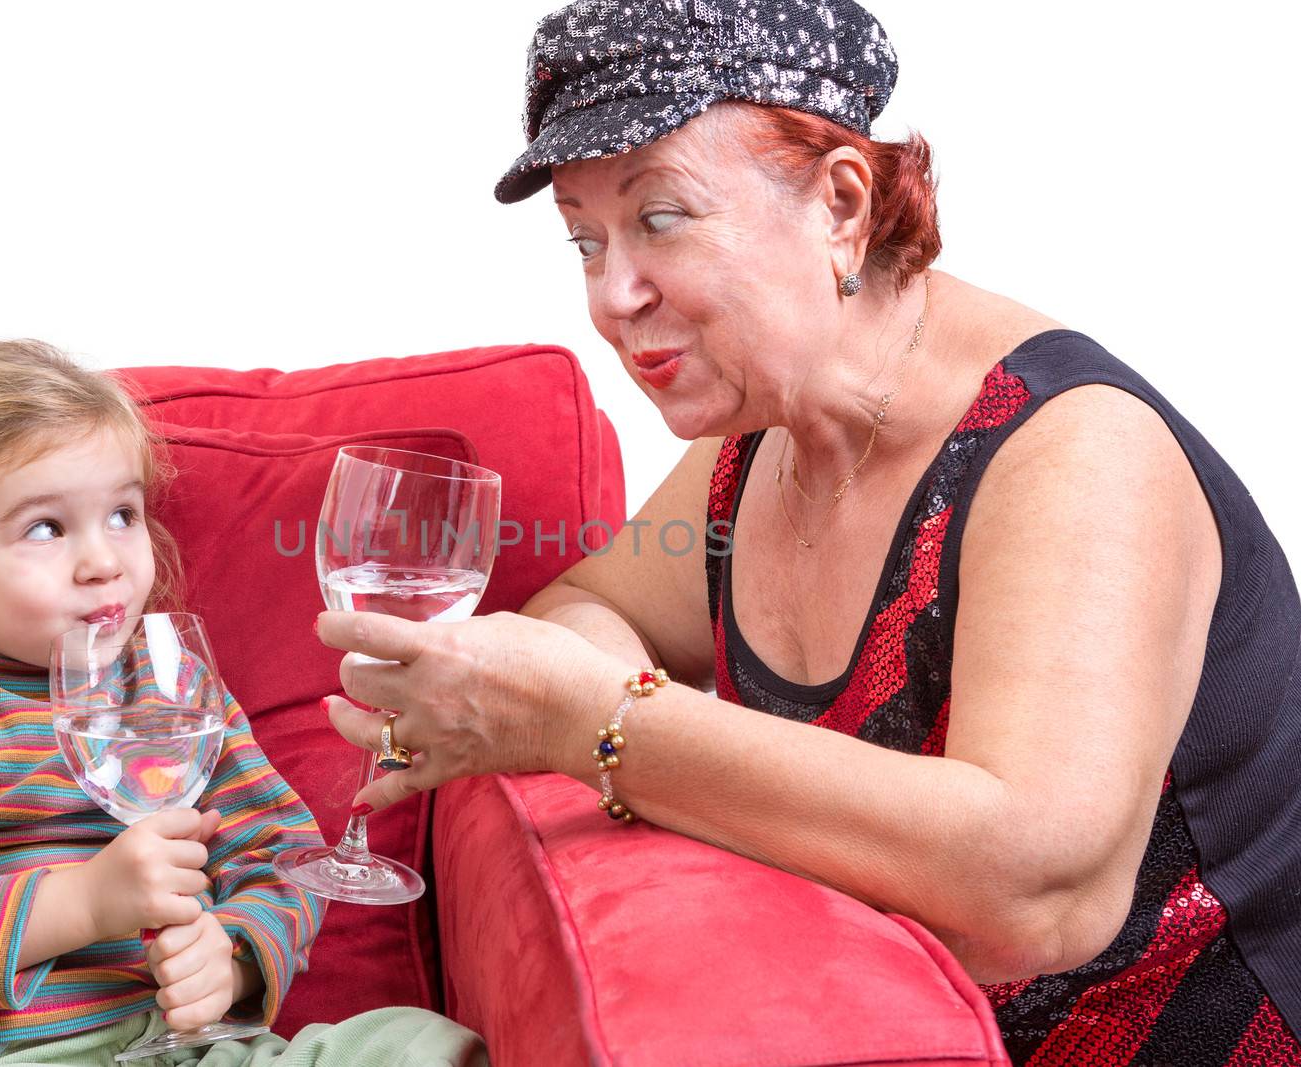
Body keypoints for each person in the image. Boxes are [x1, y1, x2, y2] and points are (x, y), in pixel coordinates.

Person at [313, 2, 1301, 1063]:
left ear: (839, 204)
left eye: (660, 218)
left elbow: (1033, 891)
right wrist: (601, 707)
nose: (612, 293)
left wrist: (597, 727)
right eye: (584, 238)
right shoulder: (768, 425)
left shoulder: (1073, 451)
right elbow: (588, 607)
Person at [0, 342, 486, 1066]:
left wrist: (233, 956)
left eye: (122, 514)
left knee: (419, 1044)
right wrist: (85, 902)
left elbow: (277, 853)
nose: (105, 560)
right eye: (46, 527)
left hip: (182, 1046)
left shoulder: (173, 693)